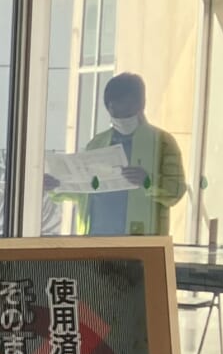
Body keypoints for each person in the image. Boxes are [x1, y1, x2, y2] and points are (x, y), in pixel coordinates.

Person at [57, 71, 186, 236]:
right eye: (114, 110)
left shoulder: (162, 142)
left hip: (141, 242)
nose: (120, 116)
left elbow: (176, 192)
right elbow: (82, 189)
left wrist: (148, 181)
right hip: (95, 240)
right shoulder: (97, 144)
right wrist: (57, 185)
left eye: (126, 109)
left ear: (141, 105)